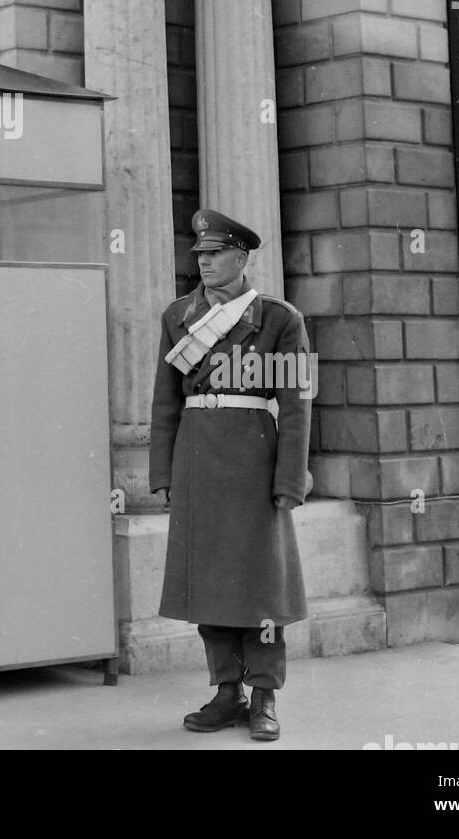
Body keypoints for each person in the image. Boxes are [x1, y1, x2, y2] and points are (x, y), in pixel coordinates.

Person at [150, 209, 314, 742]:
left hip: (254, 463)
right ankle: (227, 693)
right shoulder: (179, 316)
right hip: (197, 461)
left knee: (260, 587)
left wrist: (290, 479)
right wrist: (163, 471)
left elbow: (295, 406)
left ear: (241, 258)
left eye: (215, 253)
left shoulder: (279, 318)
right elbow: (164, 402)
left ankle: (264, 694)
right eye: (199, 254)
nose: (204, 262)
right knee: (209, 585)